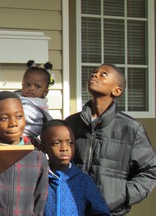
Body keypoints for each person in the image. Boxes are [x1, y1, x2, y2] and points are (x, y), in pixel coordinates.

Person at [65, 63, 156, 215]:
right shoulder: (71, 123)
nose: (94, 75)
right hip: (72, 208)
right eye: (94, 72)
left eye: (103, 74)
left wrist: (122, 195)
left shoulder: (131, 128)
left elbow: (151, 169)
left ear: (117, 90)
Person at [0, 91, 49, 215]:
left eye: (19, 116)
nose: (13, 123)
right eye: (4, 118)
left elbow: (40, 200)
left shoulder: (37, 157)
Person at [40, 119, 110, 216]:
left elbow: (101, 213)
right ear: (43, 147)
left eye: (70, 143)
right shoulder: (38, 179)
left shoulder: (83, 181)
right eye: (57, 143)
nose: (64, 148)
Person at [15, 60, 54, 148]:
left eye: (37, 86)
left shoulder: (40, 104)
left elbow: (49, 122)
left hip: (29, 136)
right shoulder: (16, 96)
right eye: (27, 84)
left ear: (45, 92)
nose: (31, 88)